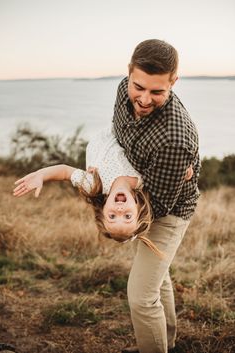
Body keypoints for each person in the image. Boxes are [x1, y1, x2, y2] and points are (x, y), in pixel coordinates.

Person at [112, 39, 200, 353]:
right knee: (156, 278)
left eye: (157, 92)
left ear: (173, 82)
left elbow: (158, 207)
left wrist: (114, 200)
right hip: (141, 192)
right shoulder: (125, 89)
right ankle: (167, 341)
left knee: (140, 295)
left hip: (168, 210)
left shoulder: (175, 137)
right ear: (129, 73)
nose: (144, 99)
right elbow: (118, 134)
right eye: (139, 87)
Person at [13, 127, 163, 256]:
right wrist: (186, 172)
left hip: (107, 135)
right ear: (138, 209)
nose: (119, 210)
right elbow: (166, 167)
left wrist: (41, 175)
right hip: (130, 132)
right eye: (127, 216)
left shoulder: (95, 185)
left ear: (103, 210)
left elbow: (65, 172)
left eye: (112, 216)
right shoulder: (144, 181)